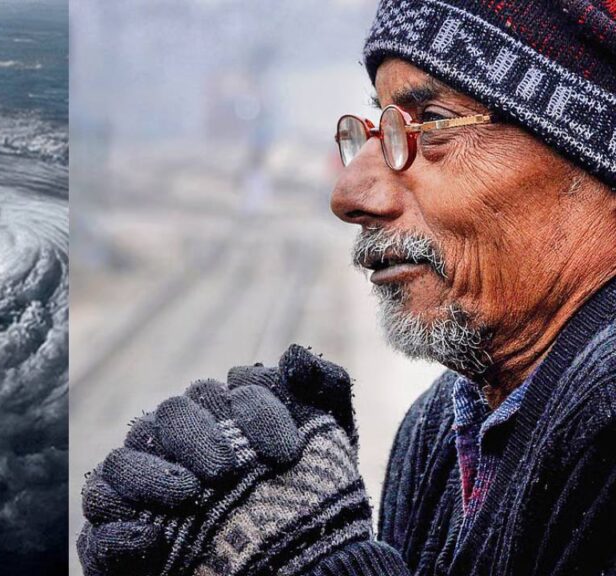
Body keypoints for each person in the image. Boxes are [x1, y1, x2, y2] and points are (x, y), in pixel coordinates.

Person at [76, 0, 616, 574]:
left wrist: (318, 562)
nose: (351, 193)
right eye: (376, 129)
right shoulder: (437, 429)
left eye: (430, 123)